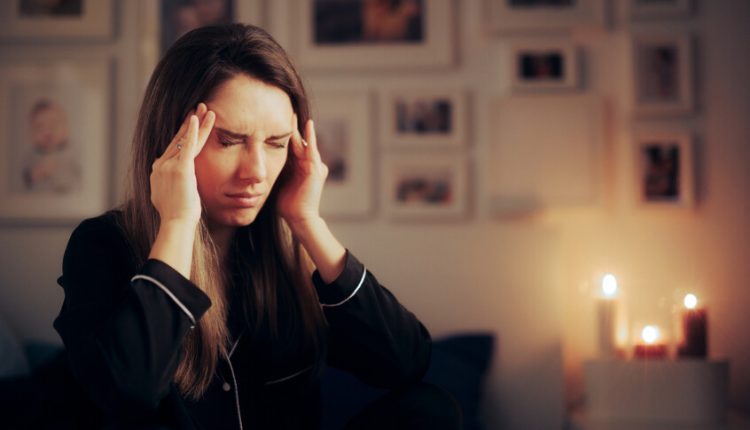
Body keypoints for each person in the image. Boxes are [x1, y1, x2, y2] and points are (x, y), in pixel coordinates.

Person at [53, 24, 461, 429]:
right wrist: (177, 223)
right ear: (172, 142)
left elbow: (406, 363)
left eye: (276, 143)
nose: (257, 172)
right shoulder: (101, 245)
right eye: (230, 141)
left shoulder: (285, 259)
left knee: (431, 410)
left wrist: (307, 222)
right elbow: (129, 391)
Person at [21, 99, 80, 193]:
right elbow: (23, 180)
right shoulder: (30, 156)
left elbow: (76, 178)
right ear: (32, 134)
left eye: (53, 125)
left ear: (65, 129)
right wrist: (35, 174)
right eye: (40, 127)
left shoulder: (71, 154)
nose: (47, 131)